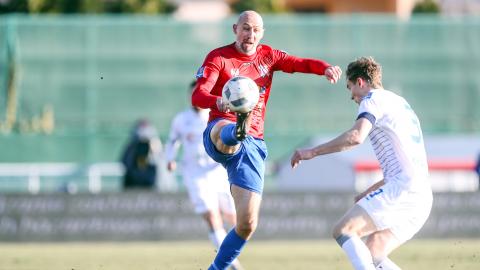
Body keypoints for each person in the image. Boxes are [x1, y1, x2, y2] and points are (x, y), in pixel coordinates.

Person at [191, 10, 342, 270]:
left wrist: (325, 68)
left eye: (256, 30)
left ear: (262, 32)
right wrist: (219, 101)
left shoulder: (268, 56)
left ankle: (216, 268)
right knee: (227, 132)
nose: (250, 35)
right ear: (235, 29)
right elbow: (198, 95)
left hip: (253, 145)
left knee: (247, 224)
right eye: (245, 28)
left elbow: (299, 63)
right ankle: (238, 127)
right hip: (219, 128)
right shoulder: (218, 57)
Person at [291, 56, 432, 270]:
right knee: (374, 252)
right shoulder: (401, 103)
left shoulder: (373, 99)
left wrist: (312, 151)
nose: (352, 97)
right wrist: (373, 189)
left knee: (344, 230)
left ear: (360, 82)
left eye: (350, 88)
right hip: (421, 196)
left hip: (402, 191)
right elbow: (403, 165)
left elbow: (356, 136)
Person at [165, 81, 243, 270]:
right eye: (192, 94)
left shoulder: (214, 116)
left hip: (218, 171)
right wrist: (170, 159)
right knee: (211, 216)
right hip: (195, 174)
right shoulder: (181, 120)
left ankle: (227, 254)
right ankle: (232, 264)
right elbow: (172, 141)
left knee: (235, 219)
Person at [120, 119, 162, 189]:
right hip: (133, 183)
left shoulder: (154, 145)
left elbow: (159, 162)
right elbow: (126, 162)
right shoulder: (132, 146)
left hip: (149, 183)